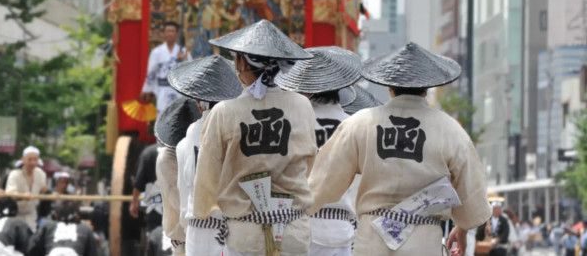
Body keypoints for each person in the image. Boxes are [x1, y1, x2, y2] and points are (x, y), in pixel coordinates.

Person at [307, 42, 491, 256]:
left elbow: (322, 185)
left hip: (371, 239)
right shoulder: (449, 129)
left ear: (390, 87)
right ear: (426, 88)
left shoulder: (360, 124)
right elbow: (472, 197)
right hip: (422, 240)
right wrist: (462, 226)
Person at [193, 20, 316, 256]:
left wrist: (206, 212)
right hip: (293, 231)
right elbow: (308, 164)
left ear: (241, 62)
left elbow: (207, 177)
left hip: (245, 233)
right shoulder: (302, 106)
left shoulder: (224, 111)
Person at [274, 47, 363, 256]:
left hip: (299, 223)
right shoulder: (354, 125)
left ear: (309, 88)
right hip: (340, 228)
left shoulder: (292, 120)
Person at [168, 55, 243, 256]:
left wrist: (185, 223)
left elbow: (184, 186)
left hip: (198, 224)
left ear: (200, 103)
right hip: (232, 222)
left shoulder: (191, 134)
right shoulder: (238, 125)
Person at [154, 98, 202, 255]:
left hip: (196, 235)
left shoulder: (189, 153)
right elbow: (183, 203)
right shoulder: (167, 160)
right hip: (188, 239)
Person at [141, 21, 190, 117]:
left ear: (176, 34)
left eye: (172, 31)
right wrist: (146, 89)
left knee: (178, 117)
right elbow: (151, 71)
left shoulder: (183, 51)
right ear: (164, 34)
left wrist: (184, 59)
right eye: (167, 31)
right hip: (162, 88)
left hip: (178, 90)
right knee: (162, 116)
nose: (170, 33)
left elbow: (190, 71)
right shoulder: (157, 52)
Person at [129, 141, 164, 254]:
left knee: (154, 240)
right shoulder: (178, 148)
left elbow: (139, 183)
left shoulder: (148, 153)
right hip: (176, 206)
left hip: (154, 207)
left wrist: (134, 203)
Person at [29, 203, 100, 256]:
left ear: (56, 215)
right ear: (78, 216)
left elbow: (32, 248)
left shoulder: (48, 226)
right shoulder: (85, 229)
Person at [5, 146, 48, 231]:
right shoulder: (14, 174)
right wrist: (22, 195)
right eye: (30, 159)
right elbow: (9, 193)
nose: (32, 163)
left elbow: (43, 189)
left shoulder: (41, 174)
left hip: (31, 215)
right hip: (15, 214)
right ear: (23, 159)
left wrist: (48, 193)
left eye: (35, 160)